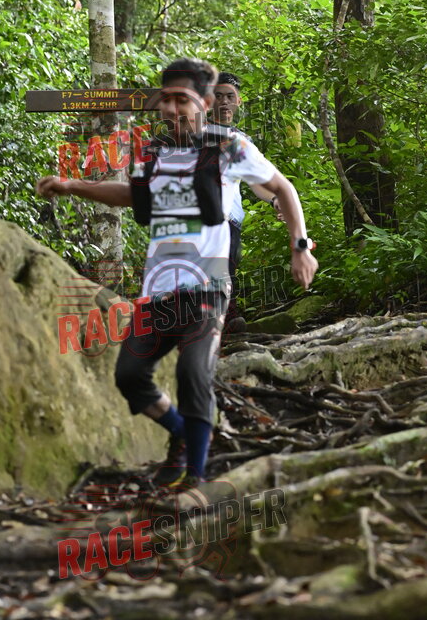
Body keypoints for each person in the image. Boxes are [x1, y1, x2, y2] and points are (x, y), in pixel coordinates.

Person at [36, 57, 318, 490]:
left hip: (208, 284)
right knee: (129, 375)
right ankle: (185, 435)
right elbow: (128, 196)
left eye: (181, 100)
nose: (170, 108)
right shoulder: (153, 153)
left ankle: (196, 482)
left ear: (203, 102)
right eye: (165, 99)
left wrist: (299, 247)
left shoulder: (228, 146)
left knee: (192, 373)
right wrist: (73, 184)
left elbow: (282, 187)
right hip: (158, 287)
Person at [209, 72, 282, 332]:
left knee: (227, 269)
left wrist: (275, 199)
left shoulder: (242, 141)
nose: (224, 102)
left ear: (238, 101)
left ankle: (227, 322)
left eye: (230, 97)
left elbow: (256, 182)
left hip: (231, 218)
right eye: (218, 96)